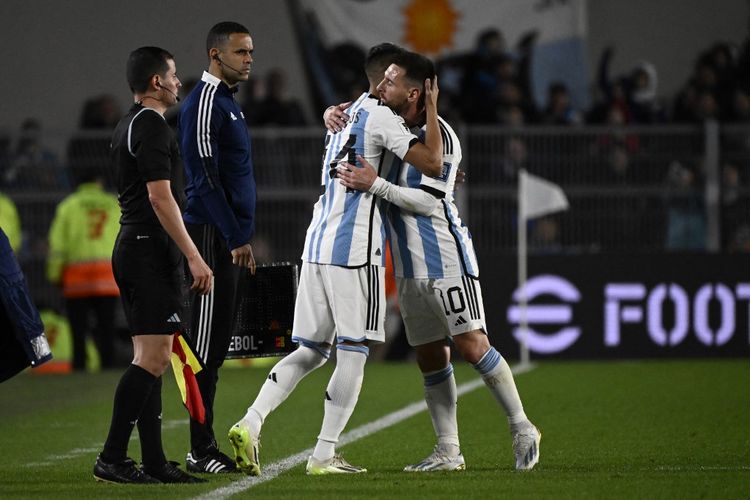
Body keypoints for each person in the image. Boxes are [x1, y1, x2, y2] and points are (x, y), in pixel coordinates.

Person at [228, 46, 444, 476]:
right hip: (353, 249)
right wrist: (433, 109)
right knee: (353, 351)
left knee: (309, 350)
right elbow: (433, 163)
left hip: (317, 244)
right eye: (396, 79)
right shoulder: (381, 117)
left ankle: (250, 422)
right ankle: (324, 455)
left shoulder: (344, 114)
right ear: (385, 79)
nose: (399, 87)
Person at [336, 62, 542, 472]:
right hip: (409, 267)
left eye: (391, 82)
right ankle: (449, 450)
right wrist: (330, 112)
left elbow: (429, 202)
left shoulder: (441, 135)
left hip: (445, 259)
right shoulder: (390, 127)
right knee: (430, 356)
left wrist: (374, 183)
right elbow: (353, 115)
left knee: (471, 344)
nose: (382, 86)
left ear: (413, 93)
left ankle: (522, 427)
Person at [93, 46, 212, 484]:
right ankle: (111, 458)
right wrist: (194, 256)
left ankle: (155, 461)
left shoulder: (129, 123)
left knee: (154, 357)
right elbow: (160, 198)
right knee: (153, 358)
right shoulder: (152, 126)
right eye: (174, 75)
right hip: (147, 249)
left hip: (137, 247)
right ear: (157, 82)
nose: (179, 82)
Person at [178, 21, 257, 474]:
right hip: (212, 238)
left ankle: (202, 444)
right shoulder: (204, 103)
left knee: (217, 348)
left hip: (226, 240)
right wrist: (234, 238)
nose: (249, 59)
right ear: (215, 54)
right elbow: (204, 182)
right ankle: (199, 450)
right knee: (203, 349)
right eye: (241, 52)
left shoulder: (228, 103)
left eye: (250, 52)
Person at [46, 168, 120, 371]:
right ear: (99, 182)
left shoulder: (68, 206)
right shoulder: (113, 204)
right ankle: (108, 365)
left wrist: (54, 274)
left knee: (78, 328)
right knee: (107, 326)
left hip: (76, 277)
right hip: (108, 275)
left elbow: (57, 245)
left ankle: (80, 366)